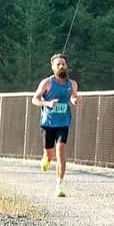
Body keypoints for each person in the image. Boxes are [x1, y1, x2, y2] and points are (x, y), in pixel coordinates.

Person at [32, 53, 79, 198]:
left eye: (63, 64)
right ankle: (46, 158)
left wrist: (75, 100)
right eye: (58, 64)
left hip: (63, 123)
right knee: (50, 154)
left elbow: (73, 96)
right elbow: (35, 99)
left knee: (61, 152)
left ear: (67, 66)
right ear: (53, 67)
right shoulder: (47, 83)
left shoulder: (72, 84)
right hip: (48, 123)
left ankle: (59, 185)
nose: (61, 66)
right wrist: (47, 103)